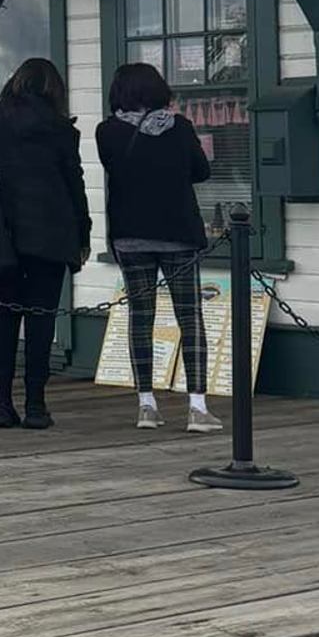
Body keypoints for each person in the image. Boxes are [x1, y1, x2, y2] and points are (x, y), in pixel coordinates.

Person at [0, 57, 89, 431]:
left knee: (5, 315)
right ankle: (36, 403)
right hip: (51, 233)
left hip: (4, 235)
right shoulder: (61, 129)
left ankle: (0, 402)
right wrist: (83, 232)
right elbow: (74, 184)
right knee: (40, 320)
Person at [94, 62, 223, 436]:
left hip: (130, 235)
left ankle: (146, 404)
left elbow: (115, 167)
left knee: (140, 317)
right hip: (177, 232)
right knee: (190, 318)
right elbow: (201, 171)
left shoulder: (107, 132)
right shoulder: (179, 128)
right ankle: (197, 407)